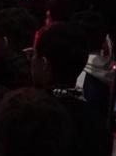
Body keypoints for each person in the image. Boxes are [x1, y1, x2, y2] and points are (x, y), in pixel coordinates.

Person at [30, 23, 109, 156]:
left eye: (33, 54)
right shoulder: (96, 118)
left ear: (44, 63)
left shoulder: (30, 115)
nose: (31, 61)